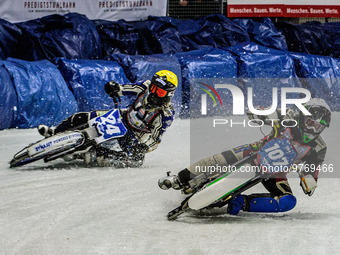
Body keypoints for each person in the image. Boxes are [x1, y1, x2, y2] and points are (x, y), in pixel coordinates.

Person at [159, 98, 331, 214]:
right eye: (310, 122)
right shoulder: (287, 116)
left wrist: (309, 179)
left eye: (318, 127)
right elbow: (255, 113)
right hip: (256, 150)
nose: (313, 129)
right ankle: (179, 179)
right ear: (303, 117)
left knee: (288, 201)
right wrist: (261, 114)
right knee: (218, 160)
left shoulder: (318, 148)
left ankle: (240, 202)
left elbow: (311, 170)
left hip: (277, 172)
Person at [38, 70, 178, 167]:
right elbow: (125, 89)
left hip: (132, 135)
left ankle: (93, 155)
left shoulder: (165, 115)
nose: (153, 92)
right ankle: (55, 132)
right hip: (121, 116)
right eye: (154, 87)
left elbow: (155, 139)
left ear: (169, 94)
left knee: (136, 160)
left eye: (159, 91)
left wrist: (144, 147)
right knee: (81, 117)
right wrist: (115, 88)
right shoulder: (145, 86)